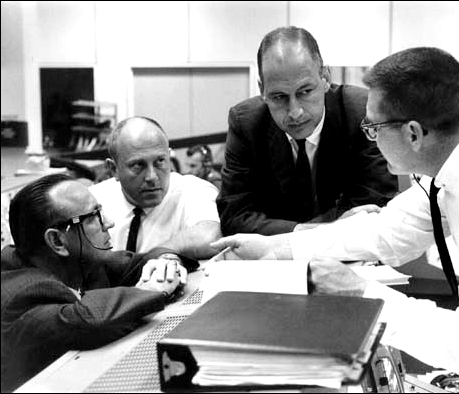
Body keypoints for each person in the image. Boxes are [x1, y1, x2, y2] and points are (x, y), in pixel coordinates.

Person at [210, 47, 459, 383]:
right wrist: (277, 248)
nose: (369, 133)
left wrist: (362, 294)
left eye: (373, 126)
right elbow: (388, 231)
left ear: (413, 134)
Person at [1, 174, 194, 392]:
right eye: (94, 216)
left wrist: (166, 262)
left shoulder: (80, 260)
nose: (110, 223)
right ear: (57, 241)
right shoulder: (18, 292)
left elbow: (136, 261)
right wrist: (150, 290)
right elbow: (87, 319)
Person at [216, 26, 398, 236]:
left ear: (325, 77)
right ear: (262, 90)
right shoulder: (246, 123)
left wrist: (305, 233)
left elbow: (374, 208)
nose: (295, 112)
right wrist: (312, 231)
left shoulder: (362, 114)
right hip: (273, 259)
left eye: (305, 91)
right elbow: (234, 216)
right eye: (279, 97)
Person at [89, 117, 221, 259]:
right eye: (138, 165)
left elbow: (211, 237)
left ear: (169, 157)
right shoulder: (93, 201)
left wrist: (154, 256)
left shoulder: (194, 191)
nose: (152, 177)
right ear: (114, 169)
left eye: (160, 161)